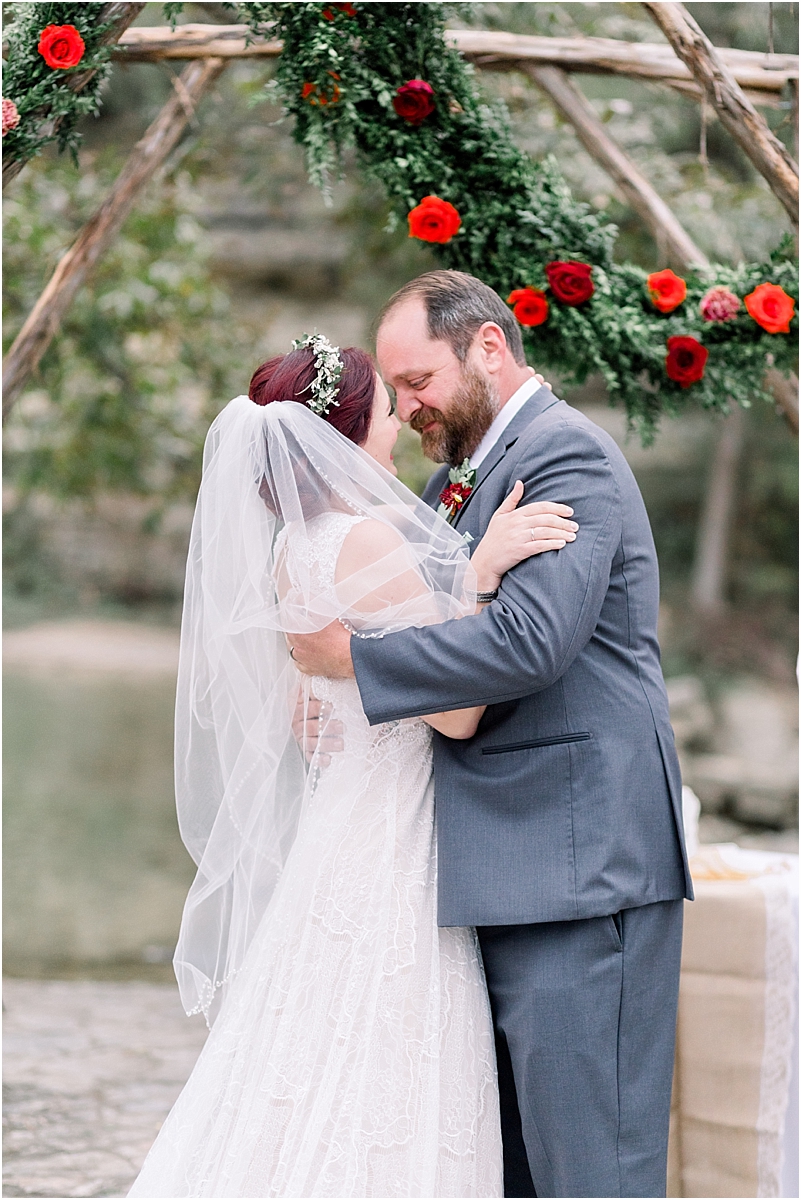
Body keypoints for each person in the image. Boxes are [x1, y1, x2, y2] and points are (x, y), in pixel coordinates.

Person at [128, 334, 577, 1199]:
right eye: (382, 410)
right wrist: (480, 576)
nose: (400, 421)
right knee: (385, 1044)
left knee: (308, 1039)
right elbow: (455, 712)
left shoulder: (291, 549)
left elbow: (318, 703)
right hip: (393, 834)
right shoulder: (364, 541)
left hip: (345, 817)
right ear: (342, 434)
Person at [290, 271, 694, 1199]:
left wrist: (353, 664)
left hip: (579, 865)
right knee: (507, 1169)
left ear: (486, 347)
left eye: (418, 381)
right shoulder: (449, 480)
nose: (407, 407)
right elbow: (439, 616)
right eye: (395, 393)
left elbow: (527, 644)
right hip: (491, 864)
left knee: (592, 1167)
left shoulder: (566, 459)